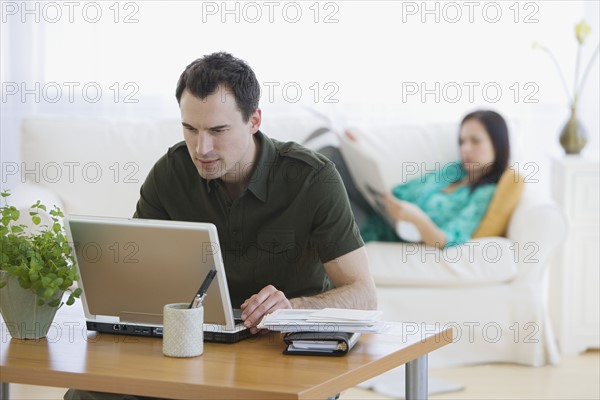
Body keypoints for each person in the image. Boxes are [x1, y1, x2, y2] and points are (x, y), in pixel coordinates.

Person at [65, 51, 376, 400]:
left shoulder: (313, 178)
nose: (202, 148)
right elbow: (135, 276)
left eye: (218, 130)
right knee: (90, 394)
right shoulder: (171, 173)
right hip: (196, 346)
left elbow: (363, 294)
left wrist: (295, 308)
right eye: (190, 128)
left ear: (254, 120)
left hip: (283, 351)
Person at [319, 110, 510, 248]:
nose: (466, 149)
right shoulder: (452, 171)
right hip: (377, 209)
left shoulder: (485, 193)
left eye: (475, 141)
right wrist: (357, 153)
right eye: (462, 141)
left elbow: (448, 240)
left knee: (322, 192)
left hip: (382, 227)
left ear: (497, 144)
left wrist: (418, 219)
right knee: (333, 155)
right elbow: (401, 191)